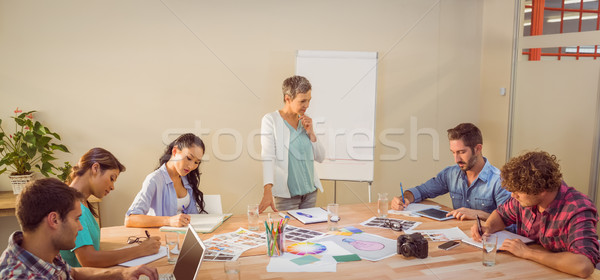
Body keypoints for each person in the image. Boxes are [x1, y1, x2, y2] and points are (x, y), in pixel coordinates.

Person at [471, 151, 599, 278]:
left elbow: (584, 266)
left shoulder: (578, 209)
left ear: (542, 191)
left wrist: (528, 253)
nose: (513, 195)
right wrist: (488, 227)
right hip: (527, 270)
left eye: (518, 192)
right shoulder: (524, 200)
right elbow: (501, 214)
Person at [0, 178, 158, 280]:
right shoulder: (19, 276)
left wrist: (122, 273)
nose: (81, 226)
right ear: (54, 220)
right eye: (76, 219)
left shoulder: (41, 251)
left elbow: (73, 273)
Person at [60, 147, 161, 268]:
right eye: (111, 178)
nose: (112, 187)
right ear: (95, 168)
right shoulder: (72, 205)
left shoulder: (82, 202)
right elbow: (89, 259)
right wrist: (141, 250)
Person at [391, 123, 510, 220]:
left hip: (487, 242)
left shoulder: (499, 181)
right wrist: (404, 198)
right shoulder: (451, 174)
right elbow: (422, 191)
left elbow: (511, 224)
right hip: (460, 236)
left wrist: (480, 215)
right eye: (453, 152)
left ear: (478, 149)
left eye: (462, 152)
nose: (457, 159)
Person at [259, 75, 325, 213]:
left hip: (310, 193)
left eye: (309, 100)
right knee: (288, 233)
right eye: (302, 101)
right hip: (286, 197)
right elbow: (268, 157)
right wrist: (267, 191)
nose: (307, 105)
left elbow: (320, 157)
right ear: (287, 98)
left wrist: (311, 133)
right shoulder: (271, 120)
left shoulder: (305, 121)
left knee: (308, 233)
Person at [125, 133, 207, 227]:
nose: (191, 166)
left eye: (196, 162)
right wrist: (168, 221)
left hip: (184, 236)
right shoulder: (154, 180)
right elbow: (130, 219)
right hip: (163, 238)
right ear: (175, 151)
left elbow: (193, 217)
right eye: (189, 158)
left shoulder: (187, 180)